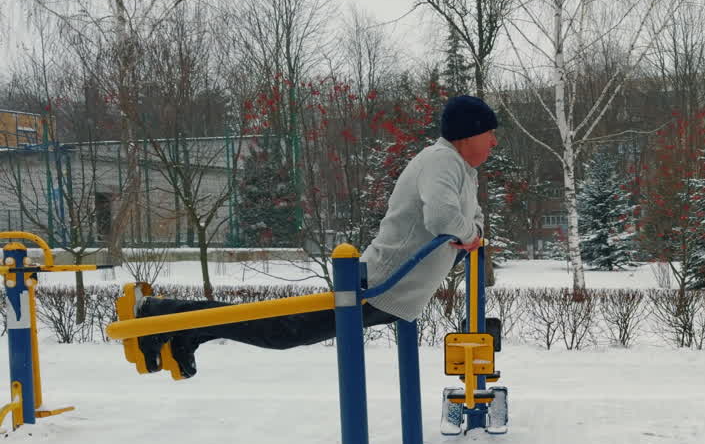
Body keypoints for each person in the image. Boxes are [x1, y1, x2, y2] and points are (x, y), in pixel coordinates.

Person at [127, 94, 500, 379]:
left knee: (282, 330)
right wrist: (467, 234)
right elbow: (443, 219)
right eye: (490, 134)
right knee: (281, 331)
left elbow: (473, 220)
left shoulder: (464, 171)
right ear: (469, 133)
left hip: (392, 293)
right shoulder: (441, 161)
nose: (493, 143)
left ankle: (185, 335)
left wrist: (472, 233)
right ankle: (159, 314)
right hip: (379, 283)